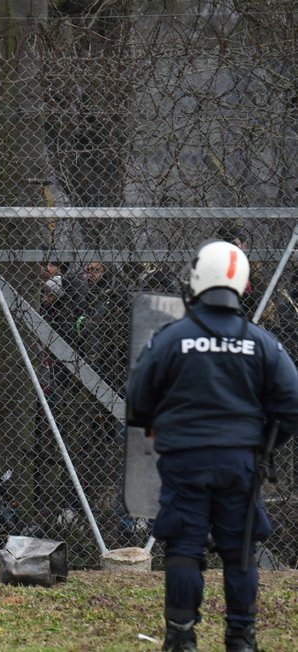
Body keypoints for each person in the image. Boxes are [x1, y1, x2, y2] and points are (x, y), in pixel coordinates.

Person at [126, 241, 298, 652]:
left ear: (197, 279)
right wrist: (265, 445)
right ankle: (241, 637)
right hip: (241, 461)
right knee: (239, 549)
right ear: (243, 285)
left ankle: (181, 637)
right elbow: (291, 405)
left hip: (185, 459)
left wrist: (157, 424)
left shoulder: (172, 339)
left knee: (184, 547)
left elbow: (137, 401)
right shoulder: (261, 342)